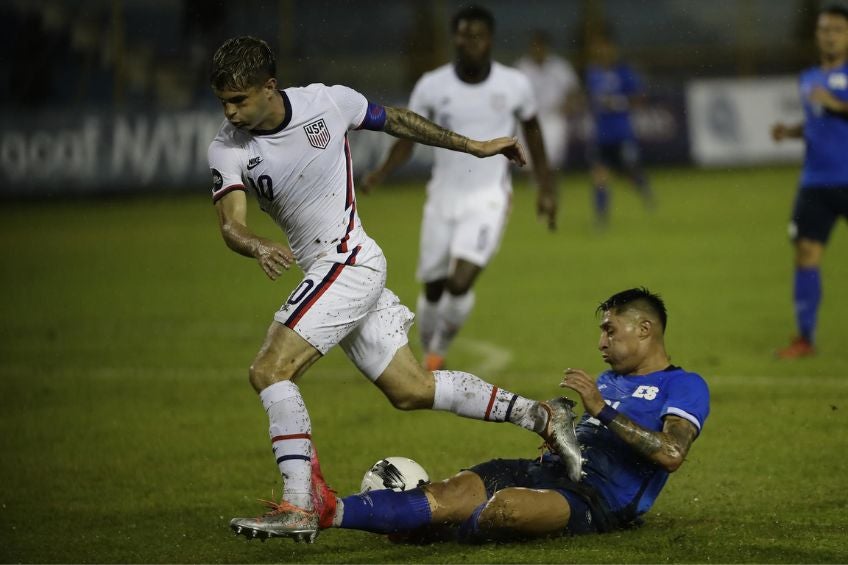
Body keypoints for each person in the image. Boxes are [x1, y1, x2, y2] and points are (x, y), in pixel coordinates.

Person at [206, 36, 582, 542]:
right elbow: (231, 224)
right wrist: (254, 245)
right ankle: (541, 414)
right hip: (332, 270)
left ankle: (298, 503)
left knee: (269, 369)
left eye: (239, 100)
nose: (229, 112)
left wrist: (474, 146)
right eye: (223, 102)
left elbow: (398, 120)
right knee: (411, 390)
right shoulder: (227, 147)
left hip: (349, 260)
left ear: (269, 87)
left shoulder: (327, 103)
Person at [314, 288, 709, 543]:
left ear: (644, 328)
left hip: (595, 499)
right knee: (448, 493)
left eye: (610, 330)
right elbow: (587, 436)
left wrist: (601, 410)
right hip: (543, 470)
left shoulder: (685, 386)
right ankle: (328, 511)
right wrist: (559, 434)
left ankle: (427, 530)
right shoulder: (606, 379)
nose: (601, 341)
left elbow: (671, 453)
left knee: (507, 509)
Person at [362, 6, 557, 372]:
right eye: (464, 35)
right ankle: (428, 348)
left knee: (460, 281)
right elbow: (408, 133)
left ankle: (436, 354)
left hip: (489, 199)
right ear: (455, 38)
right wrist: (382, 171)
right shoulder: (433, 86)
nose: (470, 42)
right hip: (442, 198)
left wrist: (546, 187)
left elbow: (532, 129)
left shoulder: (513, 84)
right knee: (434, 287)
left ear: (490, 40)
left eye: (478, 36)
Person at [771, 4, 848, 358]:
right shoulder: (808, 78)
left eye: (836, 29)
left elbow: (833, 109)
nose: (829, 35)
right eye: (824, 30)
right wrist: (791, 131)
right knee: (805, 254)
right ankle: (805, 338)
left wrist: (833, 103)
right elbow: (819, 123)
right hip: (815, 181)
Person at [584, 34, 654, 227]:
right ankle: (601, 218)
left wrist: (618, 102)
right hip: (601, 134)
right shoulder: (592, 73)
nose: (603, 53)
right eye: (600, 49)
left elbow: (640, 96)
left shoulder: (624, 72)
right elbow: (591, 99)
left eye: (607, 48)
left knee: (629, 172)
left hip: (622, 132)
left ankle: (644, 190)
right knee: (599, 176)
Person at [514, 29, 580, 171]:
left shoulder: (560, 67)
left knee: (552, 161)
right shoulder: (521, 67)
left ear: (547, 48)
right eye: (535, 46)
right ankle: (535, 189)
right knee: (527, 162)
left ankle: (550, 189)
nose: (538, 50)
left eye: (541, 46)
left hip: (553, 117)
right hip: (529, 118)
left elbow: (574, 92)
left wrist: (568, 107)